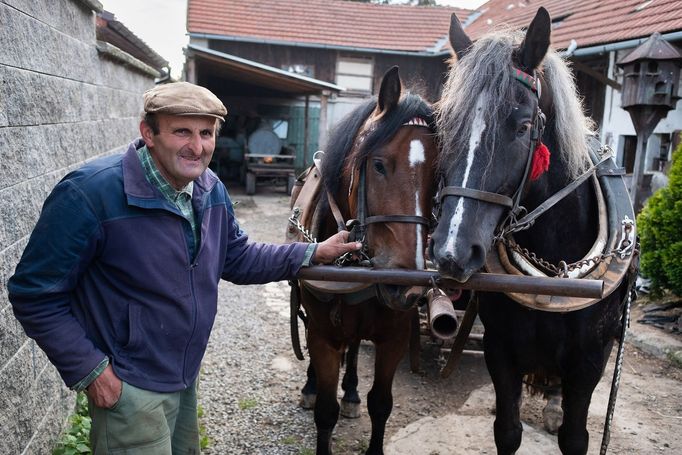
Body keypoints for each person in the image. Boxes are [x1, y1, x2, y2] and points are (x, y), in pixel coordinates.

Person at [7, 82, 360, 454]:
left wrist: (312, 252)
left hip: (183, 376)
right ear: (149, 133)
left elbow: (237, 257)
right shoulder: (90, 194)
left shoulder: (209, 188)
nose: (197, 146)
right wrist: (92, 372)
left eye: (206, 133)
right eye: (182, 132)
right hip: (128, 384)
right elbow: (34, 294)